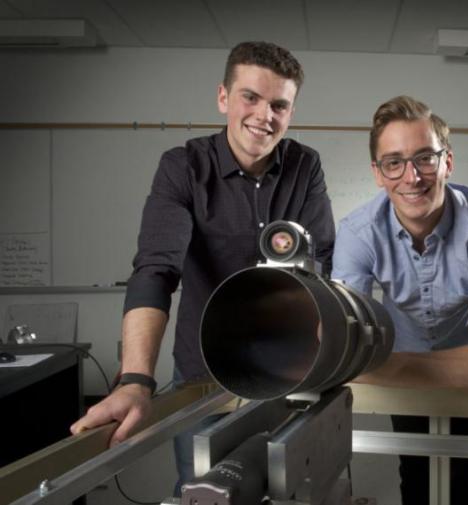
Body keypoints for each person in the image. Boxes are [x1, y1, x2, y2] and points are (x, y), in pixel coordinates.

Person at [70, 41, 336, 493]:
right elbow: (156, 269)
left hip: (285, 373)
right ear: (223, 98)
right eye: (250, 97)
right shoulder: (182, 168)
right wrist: (136, 380)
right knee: (203, 490)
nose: (263, 115)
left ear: (290, 112)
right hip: (203, 373)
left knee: (284, 488)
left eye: (279, 105)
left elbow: (321, 264)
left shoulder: (305, 166)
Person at [331, 96, 468, 504]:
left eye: (424, 158)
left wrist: (383, 364)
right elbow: (341, 354)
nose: (411, 176)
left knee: (460, 476)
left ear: (447, 162)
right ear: (378, 174)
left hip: (408, 363)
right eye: (394, 162)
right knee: (414, 474)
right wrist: (464, 370)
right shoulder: (357, 232)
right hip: (452, 361)